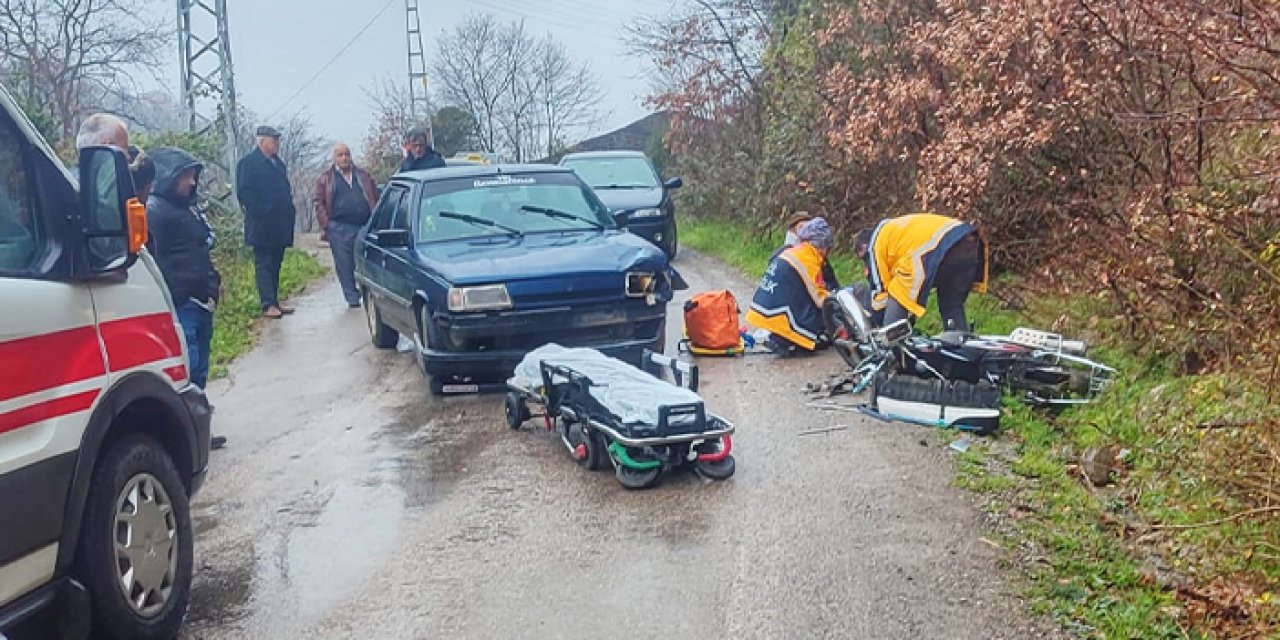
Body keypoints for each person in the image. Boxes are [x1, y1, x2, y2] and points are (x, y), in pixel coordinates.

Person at [145, 147, 226, 450]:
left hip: (201, 299)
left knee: (200, 369)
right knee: (187, 368)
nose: (192, 183)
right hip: (181, 302)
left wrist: (212, 285)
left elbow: (200, 248)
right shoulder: (154, 211)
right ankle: (186, 439)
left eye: (193, 176)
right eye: (185, 177)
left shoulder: (187, 210)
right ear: (170, 177)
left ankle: (200, 431)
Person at [853, 212, 989, 333]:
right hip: (968, 239)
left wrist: (880, 322)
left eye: (864, 260)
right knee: (951, 306)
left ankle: (895, 351)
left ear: (863, 248)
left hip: (938, 248)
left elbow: (881, 293)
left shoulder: (875, 245)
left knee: (893, 321)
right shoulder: (894, 231)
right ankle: (960, 342)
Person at [746, 217, 836, 354]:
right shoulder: (808, 258)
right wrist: (837, 302)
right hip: (777, 312)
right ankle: (785, 339)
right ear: (822, 244)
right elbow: (819, 298)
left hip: (764, 306)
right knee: (819, 312)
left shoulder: (795, 250)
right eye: (828, 247)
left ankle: (782, 337)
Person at [236, 125, 296, 319]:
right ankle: (267, 303)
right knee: (264, 263)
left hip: (280, 224)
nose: (277, 144)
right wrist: (262, 211)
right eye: (274, 140)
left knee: (276, 264)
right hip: (261, 225)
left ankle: (275, 301)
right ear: (262, 141)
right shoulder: (248, 163)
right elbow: (244, 193)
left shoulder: (278, 163)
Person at [314, 142, 378, 308]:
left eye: (347, 154)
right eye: (340, 155)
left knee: (366, 260)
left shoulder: (362, 175)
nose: (344, 158)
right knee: (344, 264)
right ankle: (352, 298)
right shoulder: (326, 179)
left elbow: (374, 195)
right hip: (339, 228)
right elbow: (319, 202)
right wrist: (327, 225)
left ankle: (370, 293)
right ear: (334, 158)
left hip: (364, 225)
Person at [776, 211, 839, 291]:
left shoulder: (820, 258)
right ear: (791, 232)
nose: (806, 232)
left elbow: (833, 285)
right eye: (801, 228)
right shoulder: (780, 257)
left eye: (809, 228)